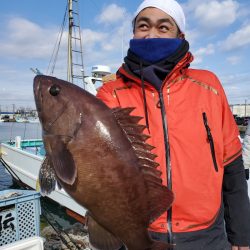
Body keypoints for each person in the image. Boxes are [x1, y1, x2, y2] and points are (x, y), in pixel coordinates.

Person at [97, 0, 250, 249]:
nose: (151, 34)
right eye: (143, 26)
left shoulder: (209, 86)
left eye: (163, 27)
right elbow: (98, 165)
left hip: (208, 235)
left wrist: (242, 235)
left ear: (180, 35)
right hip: (140, 233)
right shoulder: (111, 94)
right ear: (133, 32)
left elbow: (231, 164)